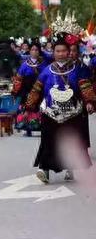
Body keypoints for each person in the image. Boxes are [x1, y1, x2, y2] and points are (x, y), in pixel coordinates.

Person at [26, 28, 95, 184]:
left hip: (72, 113)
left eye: (64, 51)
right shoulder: (46, 71)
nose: (61, 54)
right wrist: (30, 105)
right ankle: (44, 170)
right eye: (57, 51)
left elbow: (85, 87)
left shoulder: (77, 70)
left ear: (68, 52)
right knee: (48, 141)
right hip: (50, 112)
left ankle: (70, 169)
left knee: (69, 142)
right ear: (53, 52)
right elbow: (37, 89)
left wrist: (89, 102)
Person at [12, 40, 47, 137]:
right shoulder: (24, 65)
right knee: (27, 106)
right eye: (32, 50)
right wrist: (15, 91)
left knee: (40, 107)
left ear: (39, 51)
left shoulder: (43, 64)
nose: (34, 52)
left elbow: (46, 77)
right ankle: (27, 128)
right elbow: (18, 79)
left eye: (36, 50)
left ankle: (40, 127)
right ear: (29, 51)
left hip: (40, 89)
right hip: (26, 90)